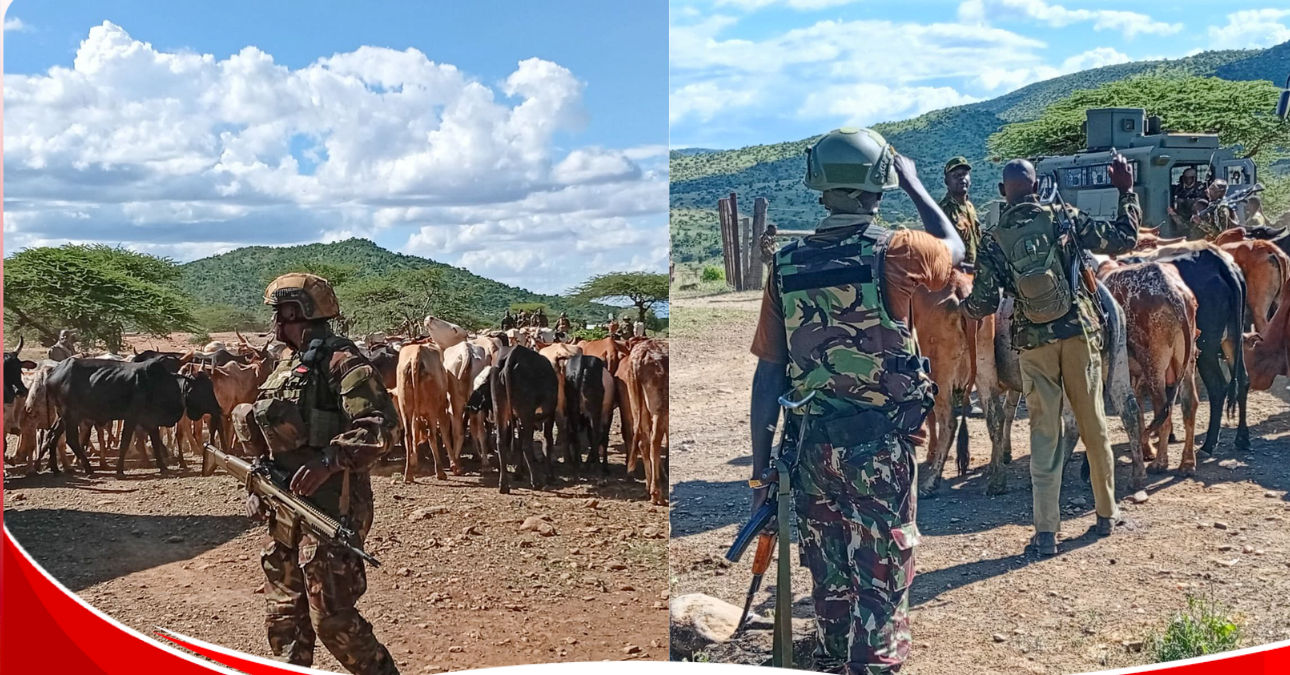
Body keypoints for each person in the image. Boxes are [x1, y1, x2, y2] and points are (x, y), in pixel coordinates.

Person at [749, 127, 964, 674]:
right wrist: (915, 183)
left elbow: (768, 377)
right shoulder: (899, 251)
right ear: (879, 185)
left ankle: (832, 659)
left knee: (831, 581)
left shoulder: (787, 263)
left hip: (811, 452)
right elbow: (955, 249)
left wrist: (760, 475)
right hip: (881, 450)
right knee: (883, 580)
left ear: (818, 184)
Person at [964, 155, 1139, 557]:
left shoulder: (993, 238)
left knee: (1045, 434)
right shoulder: (1063, 218)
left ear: (1001, 192)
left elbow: (984, 302)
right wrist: (1125, 190)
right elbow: (1124, 238)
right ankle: (1106, 514)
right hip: (1079, 332)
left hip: (1033, 345)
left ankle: (1046, 532)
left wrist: (960, 307)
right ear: (1038, 186)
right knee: (1093, 424)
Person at [235, 273, 400, 675]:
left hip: (331, 506)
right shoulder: (284, 364)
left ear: (303, 314)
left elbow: (383, 425)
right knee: (284, 619)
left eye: (282, 315)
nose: (276, 324)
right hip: (285, 507)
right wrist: (257, 481)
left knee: (333, 619)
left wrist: (330, 461)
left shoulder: (342, 360)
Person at [938, 156, 980, 267]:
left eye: (964, 174)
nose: (962, 178)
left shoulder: (970, 207)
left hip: (978, 277)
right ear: (947, 181)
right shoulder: (943, 211)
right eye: (956, 176)